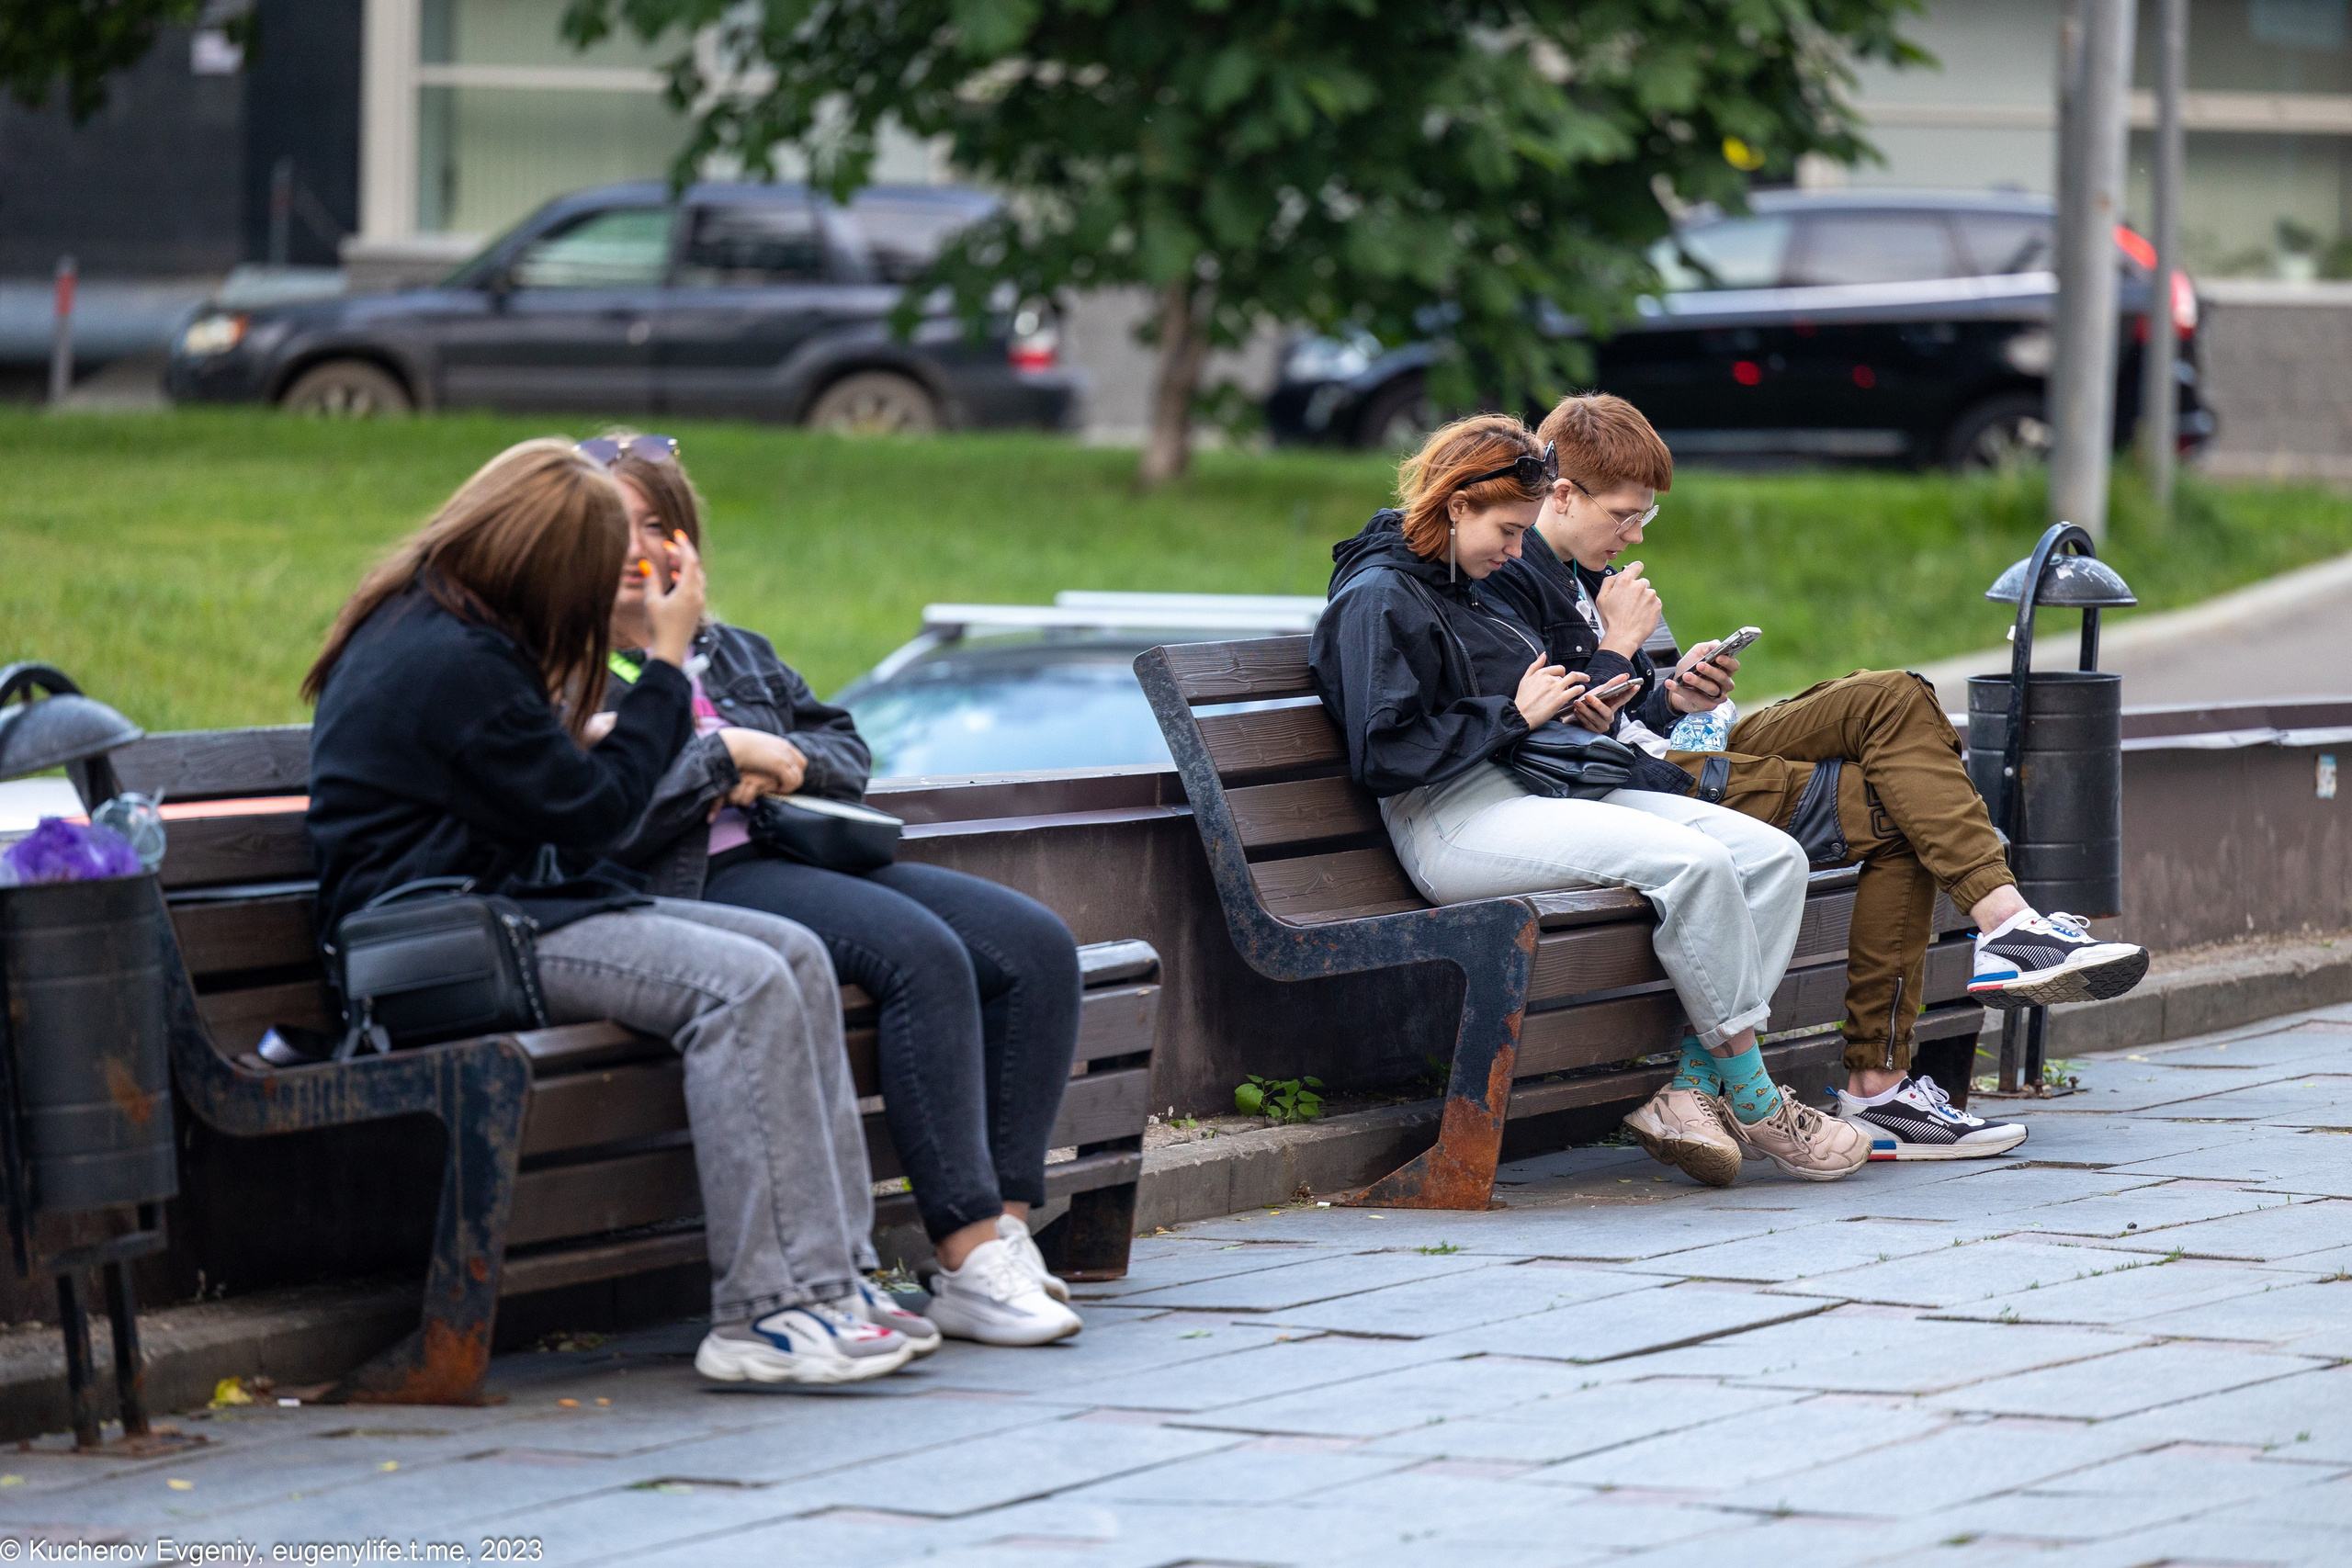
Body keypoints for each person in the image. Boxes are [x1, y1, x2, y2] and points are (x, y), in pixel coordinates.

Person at [302, 439, 922, 1387]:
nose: (603, 592)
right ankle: (761, 1312)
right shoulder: (450, 654)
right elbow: (597, 812)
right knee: (741, 984)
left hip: (505, 915)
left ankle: (830, 1279)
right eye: (596, 569)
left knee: (795, 955)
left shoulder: (450, 627)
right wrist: (667, 659)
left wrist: (595, 724)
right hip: (440, 941)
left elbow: (542, 779)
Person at [1476, 392, 2151, 1173]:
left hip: (1681, 745)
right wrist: (1623, 644)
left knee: (1894, 695)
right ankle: (1888, 1076)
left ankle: (2006, 929)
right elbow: (1556, 739)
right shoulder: (1507, 570)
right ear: (1562, 494)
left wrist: (1673, 693)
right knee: (1899, 809)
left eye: (1645, 517)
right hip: (1642, 788)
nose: (1635, 536)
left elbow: (1617, 710)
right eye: (1625, 516)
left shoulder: (1575, 568)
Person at [579, 432, 1085, 1348]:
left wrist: (783, 762)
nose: (637, 547)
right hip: (695, 882)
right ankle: (965, 1253)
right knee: (918, 954)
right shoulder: (565, 667)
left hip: (805, 855)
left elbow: (845, 748)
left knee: (1034, 945)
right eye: (613, 525)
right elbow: (606, 809)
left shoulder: (733, 652)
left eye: (656, 523)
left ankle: (1006, 1237)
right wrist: (718, 761)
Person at [1309, 413, 1868, 1185]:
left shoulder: (1464, 579)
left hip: (1537, 785)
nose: (1516, 550)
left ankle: (1693, 1090)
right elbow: (1384, 754)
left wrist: (1622, 689)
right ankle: (1757, 1098)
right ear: (1457, 505)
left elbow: (1534, 695)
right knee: (1696, 864)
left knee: (1773, 858)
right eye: (1508, 530)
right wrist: (1513, 715)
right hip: (1454, 818)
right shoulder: (1378, 597)